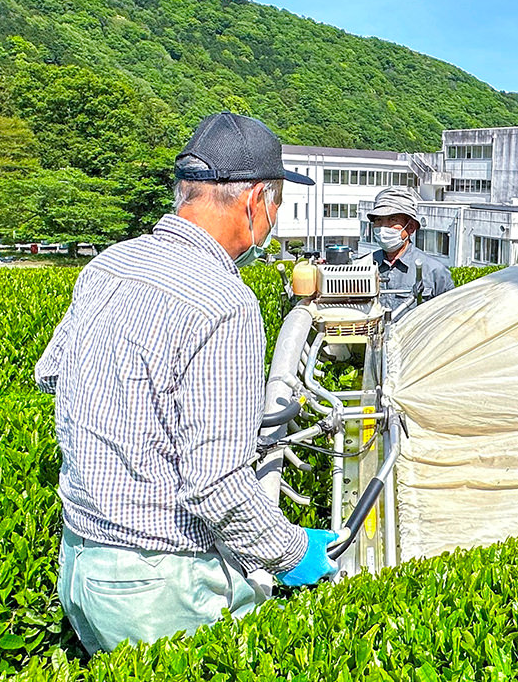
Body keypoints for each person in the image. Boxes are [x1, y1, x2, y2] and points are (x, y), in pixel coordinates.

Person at [34, 112, 337, 654]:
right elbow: (216, 484)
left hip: (81, 564)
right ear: (255, 202)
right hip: (161, 585)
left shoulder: (110, 265)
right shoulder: (224, 302)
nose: (272, 221)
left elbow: (50, 374)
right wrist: (291, 552)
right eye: (278, 207)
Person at [364, 186, 453, 312]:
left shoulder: (435, 271)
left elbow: (449, 316)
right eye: (378, 220)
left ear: (410, 227)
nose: (383, 227)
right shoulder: (364, 266)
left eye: (392, 220)